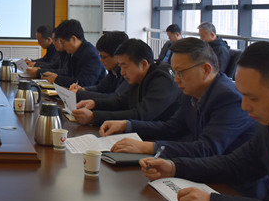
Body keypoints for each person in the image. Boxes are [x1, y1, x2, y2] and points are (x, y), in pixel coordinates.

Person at [141, 42, 269, 201]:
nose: (244, 106)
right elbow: (235, 165)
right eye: (242, 95)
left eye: (253, 98)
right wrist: (175, 167)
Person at [101, 37, 255, 159]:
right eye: (175, 73)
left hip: (232, 183)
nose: (175, 80)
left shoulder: (229, 98)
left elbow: (207, 148)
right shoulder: (192, 92)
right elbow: (171, 128)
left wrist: (150, 147)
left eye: (180, 73)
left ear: (206, 69)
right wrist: (126, 125)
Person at [72, 39, 180, 126]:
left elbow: (141, 115)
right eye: (120, 66)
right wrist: (94, 103)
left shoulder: (163, 79)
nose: (122, 72)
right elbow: (121, 102)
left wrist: (94, 117)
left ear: (143, 64)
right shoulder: (138, 77)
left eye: (125, 66)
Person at [41, 19, 105, 87]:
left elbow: (84, 83)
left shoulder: (91, 55)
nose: (62, 46)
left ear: (73, 39)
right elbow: (68, 75)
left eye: (63, 42)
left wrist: (56, 79)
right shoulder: (72, 52)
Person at [70, 31, 129, 100]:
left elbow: (115, 98)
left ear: (118, 56)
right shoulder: (113, 71)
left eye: (104, 57)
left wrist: (80, 93)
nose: (101, 60)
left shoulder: (127, 74)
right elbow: (100, 88)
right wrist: (83, 89)